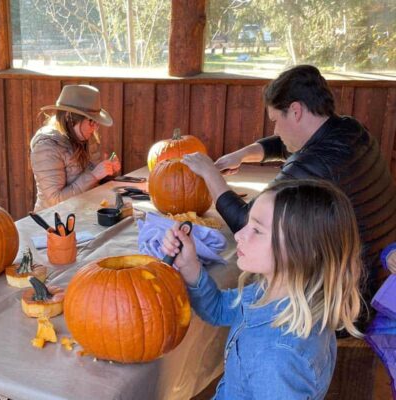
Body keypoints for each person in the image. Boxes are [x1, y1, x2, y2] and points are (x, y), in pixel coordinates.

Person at [182, 64, 396, 299]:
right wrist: (241, 155)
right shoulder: (349, 129)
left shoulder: (312, 165)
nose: (274, 128)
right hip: (382, 280)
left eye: (275, 119)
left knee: (261, 266)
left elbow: (245, 221)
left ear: (296, 111)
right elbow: (287, 143)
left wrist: (209, 173)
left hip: (348, 300)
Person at [162, 179, 363, 399]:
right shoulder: (273, 291)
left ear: (304, 251)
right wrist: (190, 266)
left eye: (257, 230)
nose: (239, 235)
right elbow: (219, 309)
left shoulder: (277, 357)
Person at [30, 84, 121, 211]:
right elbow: (55, 200)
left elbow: (92, 175)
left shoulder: (87, 136)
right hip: (53, 222)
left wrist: (107, 170)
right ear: (69, 117)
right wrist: (94, 175)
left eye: (96, 122)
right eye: (91, 121)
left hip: (83, 211)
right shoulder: (46, 147)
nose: (95, 128)